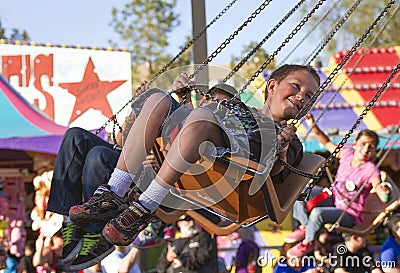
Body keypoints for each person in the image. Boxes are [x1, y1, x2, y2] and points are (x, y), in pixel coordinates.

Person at [69, 64, 320, 249]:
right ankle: (113, 192)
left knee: (203, 117)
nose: (302, 96)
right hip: (199, 150)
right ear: (272, 86)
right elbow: (192, 125)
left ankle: (146, 206)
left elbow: (273, 175)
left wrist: (282, 146)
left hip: (232, 168)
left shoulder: (291, 139)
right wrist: (182, 98)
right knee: (157, 98)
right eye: (297, 87)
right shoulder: (238, 106)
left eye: (309, 96)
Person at [286, 113, 392, 257]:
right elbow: (326, 143)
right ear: (355, 144)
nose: (366, 149)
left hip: (349, 213)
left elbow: (378, 186)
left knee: (317, 214)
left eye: (371, 147)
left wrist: (384, 191)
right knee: (301, 192)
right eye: (363, 144)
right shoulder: (347, 154)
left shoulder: (370, 169)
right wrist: (312, 125)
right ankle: (305, 226)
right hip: (334, 198)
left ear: (374, 151)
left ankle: (308, 242)